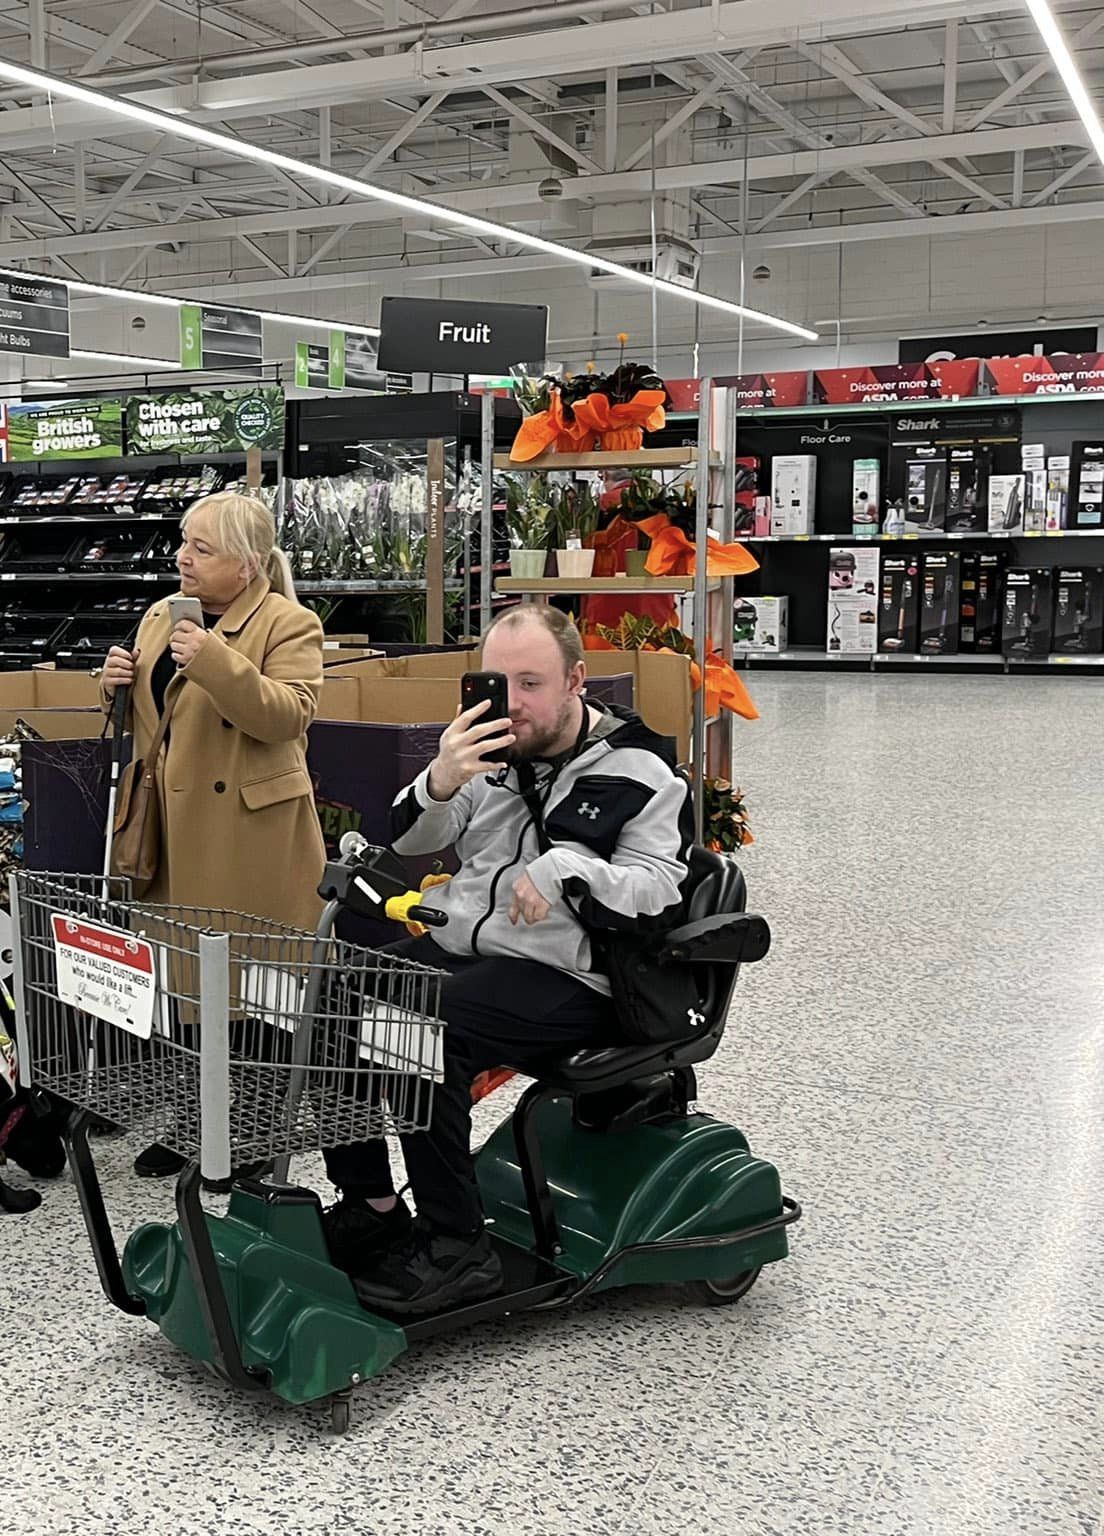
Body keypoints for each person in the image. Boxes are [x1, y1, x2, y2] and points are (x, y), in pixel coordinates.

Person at [320, 602, 689, 1316]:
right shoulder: (487, 755)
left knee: (420, 1028)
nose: (512, 704)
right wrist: (440, 779)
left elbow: (659, 889)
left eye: (532, 684)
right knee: (340, 993)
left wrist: (567, 870)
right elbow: (412, 838)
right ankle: (372, 1202)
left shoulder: (638, 767)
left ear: (577, 681)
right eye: (499, 682)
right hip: (470, 949)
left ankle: (460, 1248)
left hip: (574, 974)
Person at [99, 491, 326, 1177]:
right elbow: (146, 715)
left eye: (202, 548)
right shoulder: (160, 615)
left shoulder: (290, 623)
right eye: (183, 541)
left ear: (249, 566)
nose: (183, 557)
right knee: (186, 990)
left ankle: (253, 1136)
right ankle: (193, 1123)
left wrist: (214, 661)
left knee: (255, 996)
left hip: (251, 837)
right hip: (171, 832)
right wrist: (111, 685)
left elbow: (289, 716)